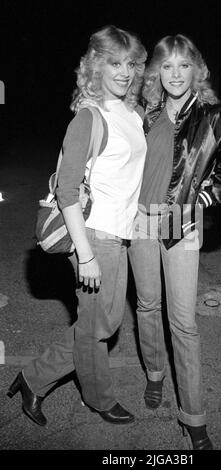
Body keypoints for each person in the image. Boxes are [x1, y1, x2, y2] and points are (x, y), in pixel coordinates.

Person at [7, 25, 147, 427]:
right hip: (93, 236)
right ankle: (100, 398)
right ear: (95, 67)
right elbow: (67, 191)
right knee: (99, 326)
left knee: (99, 323)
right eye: (113, 63)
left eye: (130, 63)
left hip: (120, 233)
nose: (123, 71)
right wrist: (85, 255)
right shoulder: (89, 118)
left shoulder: (132, 114)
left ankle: (32, 377)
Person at [128, 34, 221, 450]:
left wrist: (203, 197)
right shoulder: (145, 112)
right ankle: (155, 374)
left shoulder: (215, 116)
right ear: (156, 72)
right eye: (166, 66)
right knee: (146, 305)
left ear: (196, 70)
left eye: (183, 65)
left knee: (184, 323)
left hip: (182, 226)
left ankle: (193, 416)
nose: (175, 74)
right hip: (139, 223)